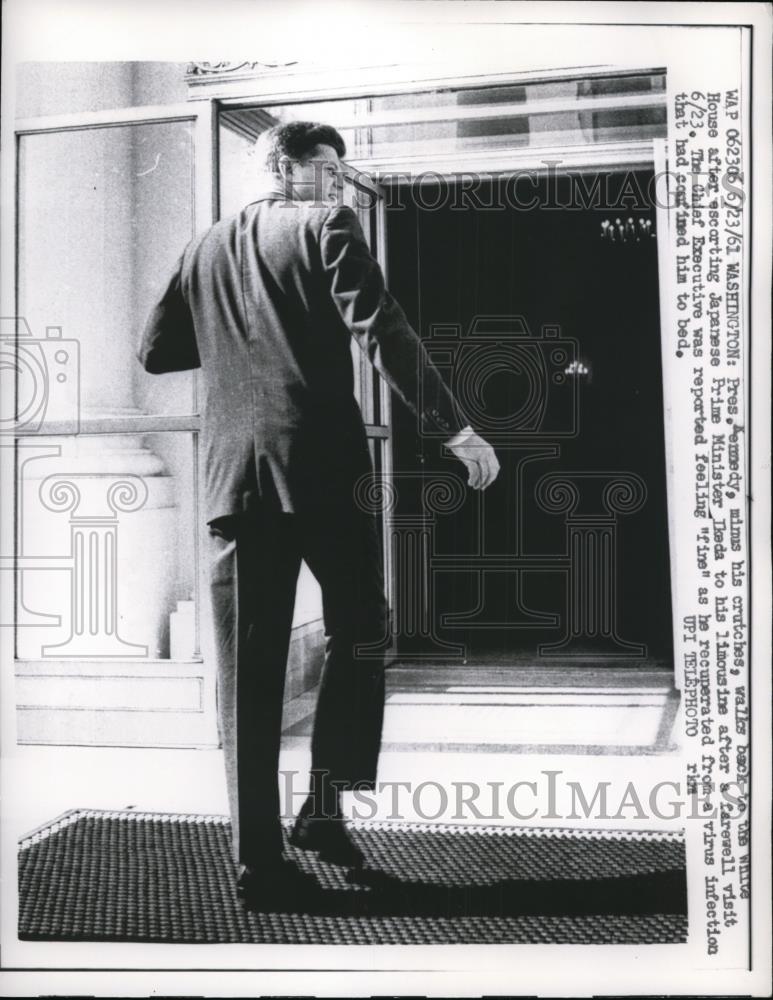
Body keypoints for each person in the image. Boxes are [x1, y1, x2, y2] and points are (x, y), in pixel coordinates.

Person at [138, 121, 499, 909]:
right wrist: (454, 427)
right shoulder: (326, 226)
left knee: (248, 670)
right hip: (321, 474)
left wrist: (246, 334)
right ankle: (324, 810)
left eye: (340, 170)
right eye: (327, 166)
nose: (339, 183)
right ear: (285, 166)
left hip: (234, 481)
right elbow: (381, 332)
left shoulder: (202, 248)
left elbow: (156, 353)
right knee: (363, 626)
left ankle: (259, 861)